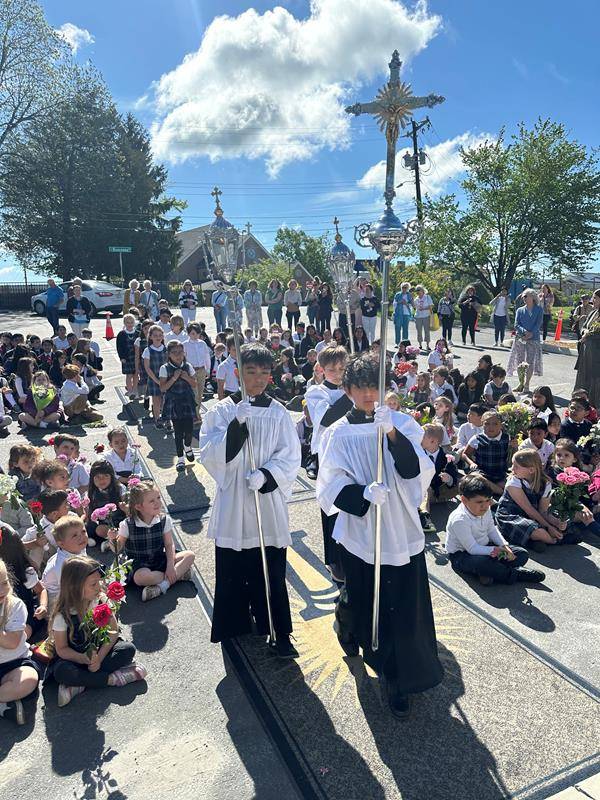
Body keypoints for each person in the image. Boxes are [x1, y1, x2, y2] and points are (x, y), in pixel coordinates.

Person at [316, 352, 442, 718]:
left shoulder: (400, 423)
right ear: (348, 389)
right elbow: (329, 482)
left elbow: (417, 471)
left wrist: (391, 434)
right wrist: (360, 494)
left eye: (375, 386)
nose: (369, 394)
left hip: (400, 526)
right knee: (363, 595)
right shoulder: (338, 433)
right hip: (362, 527)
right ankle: (346, 620)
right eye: (360, 387)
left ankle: (397, 676)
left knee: (403, 604)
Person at [199, 343, 301, 658]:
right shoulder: (221, 410)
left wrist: (268, 474)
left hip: (265, 501)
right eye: (251, 371)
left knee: (269, 568)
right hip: (233, 499)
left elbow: (291, 455)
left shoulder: (278, 412)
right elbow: (208, 454)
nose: (257, 379)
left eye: (264, 372)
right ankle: (233, 626)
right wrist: (236, 426)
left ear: (271, 376)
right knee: (232, 566)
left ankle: (278, 630)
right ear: (238, 372)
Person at [50, 556, 147, 707]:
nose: (99, 587)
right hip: (77, 659)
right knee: (61, 672)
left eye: (99, 582)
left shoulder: (101, 600)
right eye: (93, 584)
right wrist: (83, 658)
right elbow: (62, 649)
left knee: (127, 649)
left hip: (101, 652)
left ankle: (79, 685)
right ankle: (111, 679)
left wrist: (99, 658)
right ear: (75, 587)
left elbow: (113, 631)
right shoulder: (62, 615)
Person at [445, 475, 544, 586]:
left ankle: (488, 573)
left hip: (487, 547)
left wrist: (505, 546)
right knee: (481, 563)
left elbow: (491, 529)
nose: (485, 505)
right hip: (463, 555)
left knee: (521, 554)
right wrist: (499, 551)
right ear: (464, 500)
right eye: (479, 502)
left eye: (488, 500)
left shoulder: (485, 508)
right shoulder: (459, 519)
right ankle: (515, 574)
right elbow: (472, 549)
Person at [305, 345, 351, 581]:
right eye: (332, 369)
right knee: (331, 506)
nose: (338, 373)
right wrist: (351, 393)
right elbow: (326, 418)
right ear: (321, 370)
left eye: (342, 368)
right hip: (328, 455)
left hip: (352, 453)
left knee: (352, 504)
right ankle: (334, 559)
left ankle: (351, 553)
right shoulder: (315, 392)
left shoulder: (351, 389)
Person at [113, 482, 195, 602]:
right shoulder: (127, 524)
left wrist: (170, 566)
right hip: (139, 565)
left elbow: (168, 544)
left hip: (159, 558)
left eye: (158, 498)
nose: (157, 502)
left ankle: (162, 586)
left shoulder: (163, 519)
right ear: (139, 507)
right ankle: (179, 575)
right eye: (152, 501)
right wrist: (112, 539)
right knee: (141, 578)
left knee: (189, 555)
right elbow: (117, 548)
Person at [495, 449, 584, 550]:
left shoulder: (545, 483)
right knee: (538, 531)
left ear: (531, 470)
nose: (512, 469)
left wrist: (556, 523)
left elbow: (543, 510)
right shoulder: (513, 482)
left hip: (535, 515)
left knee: (562, 523)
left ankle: (537, 540)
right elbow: (528, 509)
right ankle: (554, 541)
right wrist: (549, 527)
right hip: (511, 515)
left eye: (516, 466)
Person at [0, 558, 43, 726]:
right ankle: (4, 707)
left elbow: (11, 642)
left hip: (15, 663)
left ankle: (5, 703)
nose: (2, 590)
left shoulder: (15, 605)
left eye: (4, 583)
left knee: (29, 680)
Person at [159, 341, 197, 472]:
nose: (178, 355)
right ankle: (180, 459)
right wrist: (174, 378)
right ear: (169, 354)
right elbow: (163, 387)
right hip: (174, 402)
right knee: (178, 432)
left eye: (180, 352)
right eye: (174, 353)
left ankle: (188, 446)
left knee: (189, 430)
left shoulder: (188, 366)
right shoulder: (164, 368)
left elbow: (194, 384)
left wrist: (186, 377)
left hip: (187, 401)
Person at [41, 514, 89, 605]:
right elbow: (69, 588)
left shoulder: (78, 547)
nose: (81, 536)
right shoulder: (62, 564)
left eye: (83, 531)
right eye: (74, 535)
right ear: (61, 544)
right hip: (58, 597)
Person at [462, 411, 510, 495]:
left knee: (514, 480)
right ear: (482, 424)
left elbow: (513, 458)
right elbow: (465, 454)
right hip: (483, 473)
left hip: (501, 473)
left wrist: (515, 447)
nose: (491, 427)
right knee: (475, 477)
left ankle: (493, 488)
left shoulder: (507, 438)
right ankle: (502, 492)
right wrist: (471, 463)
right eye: (487, 424)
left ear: (501, 425)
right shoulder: (477, 438)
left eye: (495, 424)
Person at [507, 289, 544, 392]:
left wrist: (531, 333)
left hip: (534, 338)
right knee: (519, 361)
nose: (524, 298)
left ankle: (527, 384)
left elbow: (539, 323)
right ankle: (521, 383)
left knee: (530, 362)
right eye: (523, 296)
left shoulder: (539, 309)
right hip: (521, 338)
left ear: (532, 297)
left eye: (526, 296)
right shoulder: (519, 310)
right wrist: (524, 332)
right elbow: (516, 324)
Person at [574, 288, 600, 407]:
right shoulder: (593, 313)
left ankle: (594, 404)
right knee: (584, 375)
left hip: (597, 354)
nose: (592, 300)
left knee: (595, 378)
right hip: (586, 352)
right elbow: (584, 326)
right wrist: (585, 332)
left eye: (595, 298)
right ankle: (581, 403)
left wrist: (590, 335)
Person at [184, 323, 211, 423]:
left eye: (197, 333)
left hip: (201, 370)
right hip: (192, 371)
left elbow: (206, 357)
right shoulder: (185, 344)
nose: (195, 335)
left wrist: (208, 370)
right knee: (194, 393)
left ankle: (197, 412)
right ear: (189, 334)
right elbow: (184, 359)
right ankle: (195, 415)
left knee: (200, 393)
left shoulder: (202, 343)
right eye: (193, 333)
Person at [142, 325, 167, 427]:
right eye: (155, 335)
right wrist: (157, 380)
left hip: (166, 379)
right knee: (156, 401)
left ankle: (166, 419)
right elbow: (147, 368)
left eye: (160, 335)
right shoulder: (148, 350)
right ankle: (157, 419)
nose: (158, 337)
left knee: (165, 401)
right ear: (150, 337)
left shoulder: (166, 349)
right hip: (154, 379)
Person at [116, 314, 139, 401]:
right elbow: (119, 347)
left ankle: (135, 390)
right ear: (124, 323)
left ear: (134, 323)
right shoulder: (121, 334)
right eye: (127, 322)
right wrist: (121, 357)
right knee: (129, 375)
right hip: (127, 358)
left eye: (131, 322)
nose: (129, 324)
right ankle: (130, 391)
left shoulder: (137, 333)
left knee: (136, 374)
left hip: (136, 358)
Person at [216, 335, 240, 400]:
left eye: (239, 349)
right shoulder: (223, 366)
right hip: (230, 395)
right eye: (234, 350)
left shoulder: (246, 363)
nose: (237, 352)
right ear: (229, 349)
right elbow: (220, 388)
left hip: (245, 394)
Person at [412, 285, 433, 351]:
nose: (417, 291)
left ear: (423, 290)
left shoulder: (427, 297)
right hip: (418, 316)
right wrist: (412, 299)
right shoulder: (416, 299)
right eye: (417, 290)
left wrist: (423, 308)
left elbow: (431, 306)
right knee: (419, 331)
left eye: (419, 290)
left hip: (426, 316)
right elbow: (414, 307)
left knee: (427, 331)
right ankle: (420, 345)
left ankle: (427, 345)